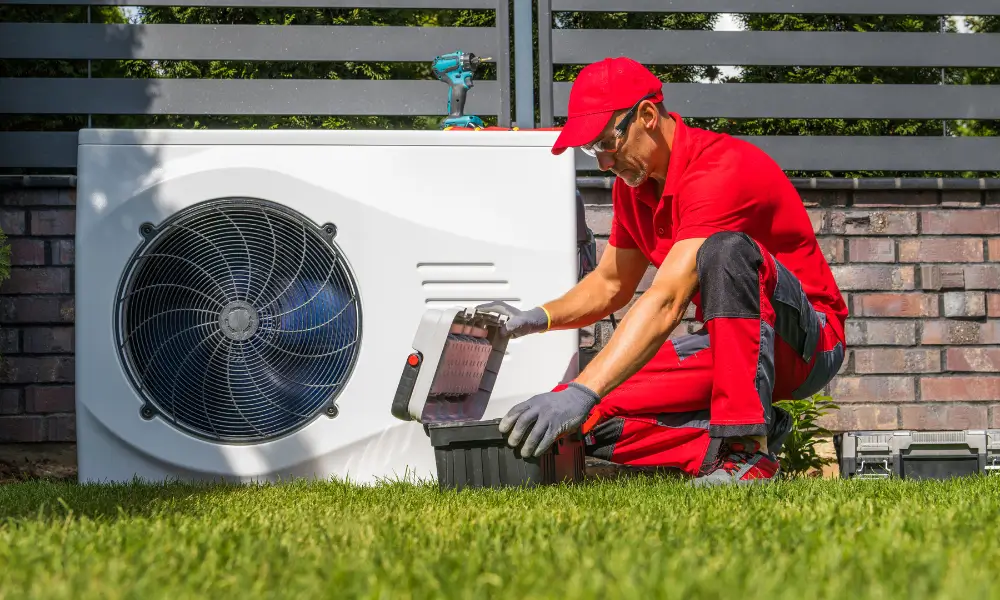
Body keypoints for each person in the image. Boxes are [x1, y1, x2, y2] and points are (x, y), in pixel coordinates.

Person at [477, 56, 847, 486]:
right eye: (590, 150)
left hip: (807, 343)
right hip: (731, 348)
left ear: (647, 116)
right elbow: (610, 283)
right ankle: (741, 438)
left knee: (725, 251)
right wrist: (535, 318)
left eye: (605, 143)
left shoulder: (721, 169)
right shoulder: (633, 187)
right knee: (582, 419)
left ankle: (747, 451)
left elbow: (667, 298)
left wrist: (584, 388)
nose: (601, 162)